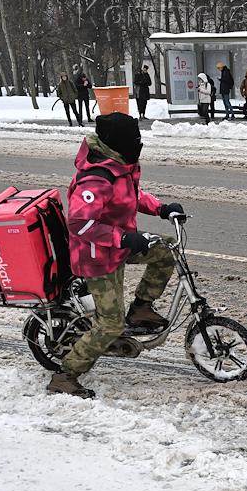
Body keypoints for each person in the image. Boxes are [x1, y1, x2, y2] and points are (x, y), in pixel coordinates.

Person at [48, 113, 184, 398]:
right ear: (118, 142)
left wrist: (161, 208)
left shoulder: (120, 164)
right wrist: (122, 237)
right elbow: (79, 223)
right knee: (110, 324)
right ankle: (65, 376)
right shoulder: (96, 179)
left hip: (117, 246)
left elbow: (131, 196)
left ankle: (141, 308)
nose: (138, 145)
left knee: (165, 249)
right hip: (96, 257)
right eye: (134, 140)